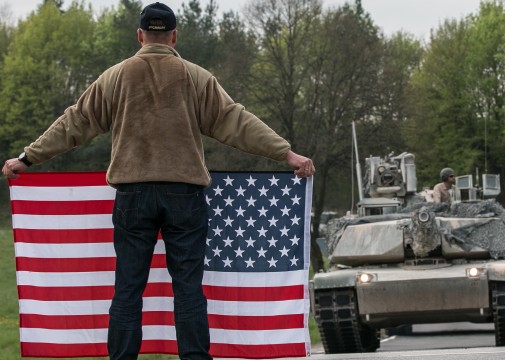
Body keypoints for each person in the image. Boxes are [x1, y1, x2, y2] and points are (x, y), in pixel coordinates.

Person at [2, 3, 315, 359]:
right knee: (188, 290)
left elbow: (75, 123)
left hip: (132, 196)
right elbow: (236, 121)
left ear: (140, 36)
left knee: (128, 290)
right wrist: (287, 154)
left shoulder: (115, 77)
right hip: (185, 195)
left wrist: (27, 158)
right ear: (174, 36)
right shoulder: (195, 76)